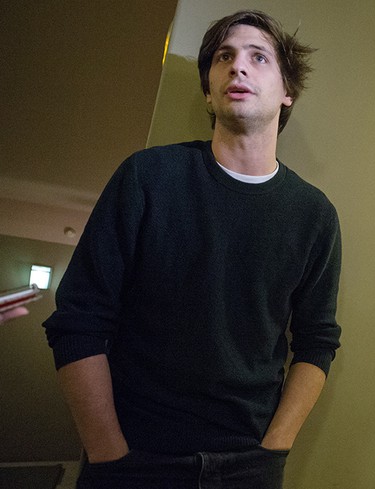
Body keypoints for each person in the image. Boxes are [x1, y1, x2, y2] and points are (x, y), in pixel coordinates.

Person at [43, 10, 341, 489]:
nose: (237, 66)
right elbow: (78, 320)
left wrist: (273, 449)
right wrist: (108, 454)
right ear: (208, 89)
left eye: (258, 57)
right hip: (134, 460)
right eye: (224, 56)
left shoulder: (315, 215)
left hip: (250, 466)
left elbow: (317, 341)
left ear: (288, 90)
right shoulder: (146, 178)